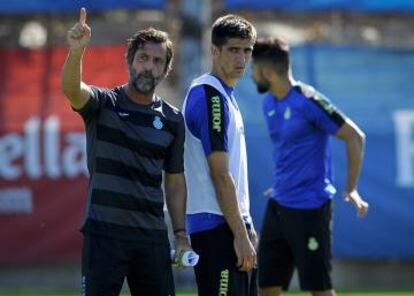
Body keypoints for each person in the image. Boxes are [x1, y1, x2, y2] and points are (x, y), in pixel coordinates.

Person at [61, 8, 191, 296]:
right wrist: (77, 52)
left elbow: (174, 180)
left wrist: (181, 236)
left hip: (152, 237)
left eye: (158, 61)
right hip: (104, 234)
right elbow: (72, 90)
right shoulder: (104, 104)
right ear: (130, 61)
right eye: (143, 58)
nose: (149, 66)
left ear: (165, 69)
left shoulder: (172, 120)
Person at [250, 37, 369, 296]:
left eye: (254, 69)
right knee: (267, 288)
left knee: (319, 290)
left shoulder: (308, 100)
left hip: (310, 207)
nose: (251, 75)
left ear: (267, 72)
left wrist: (352, 188)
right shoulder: (269, 103)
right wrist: (284, 182)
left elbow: (355, 136)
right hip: (279, 205)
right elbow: (289, 150)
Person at [182, 14, 258, 296]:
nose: (241, 58)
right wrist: (239, 232)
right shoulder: (210, 96)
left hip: (232, 224)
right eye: (233, 50)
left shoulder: (225, 96)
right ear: (214, 51)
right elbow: (219, 172)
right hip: (217, 228)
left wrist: (246, 225)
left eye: (247, 50)